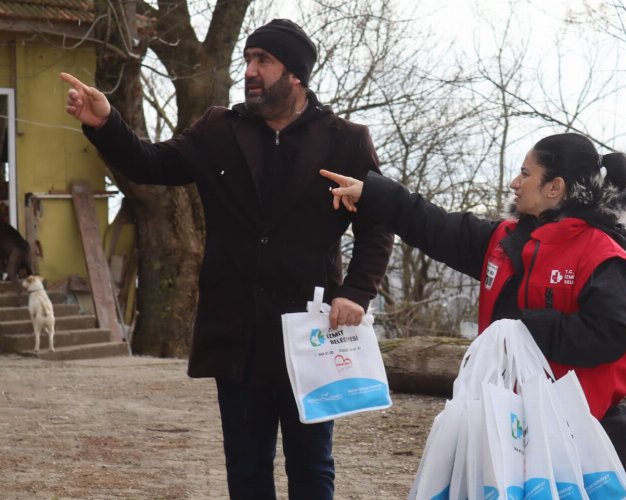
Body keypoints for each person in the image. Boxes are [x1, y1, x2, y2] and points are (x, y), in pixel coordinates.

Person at [62, 18, 393, 500]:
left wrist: (357, 292)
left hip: (312, 329)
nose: (251, 70)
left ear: (296, 74)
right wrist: (106, 123)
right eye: (248, 59)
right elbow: (149, 165)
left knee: (312, 466)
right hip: (235, 331)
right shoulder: (218, 128)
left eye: (264, 60)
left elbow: (376, 224)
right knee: (245, 466)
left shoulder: (345, 140)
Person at [321, 132, 626, 477]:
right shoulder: (503, 240)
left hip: (571, 441)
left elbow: (613, 331)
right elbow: (435, 226)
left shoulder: (600, 255)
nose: (514, 183)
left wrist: (524, 329)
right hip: (506, 430)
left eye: (525, 173)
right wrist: (373, 193)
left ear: (555, 188)